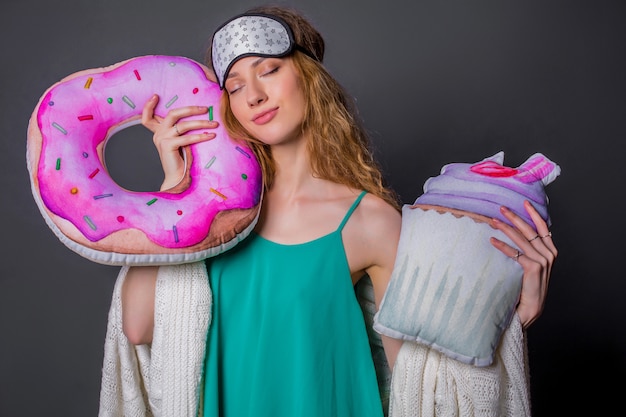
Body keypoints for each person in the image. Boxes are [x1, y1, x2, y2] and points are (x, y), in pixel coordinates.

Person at [116, 5, 557, 416]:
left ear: (309, 77)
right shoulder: (211, 215)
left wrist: (511, 321)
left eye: (269, 70)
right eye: (234, 86)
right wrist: (174, 192)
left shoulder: (371, 221)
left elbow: (421, 382)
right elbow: (138, 327)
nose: (253, 95)